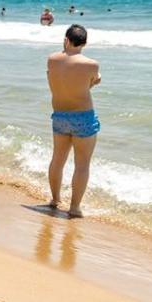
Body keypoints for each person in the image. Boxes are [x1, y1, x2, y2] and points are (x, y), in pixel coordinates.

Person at [47, 24, 101, 218]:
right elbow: (88, 85)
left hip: (60, 115)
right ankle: (74, 207)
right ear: (84, 43)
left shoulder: (52, 60)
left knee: (57, 160)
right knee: (82, 164)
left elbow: (58, 82)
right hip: (83, 117)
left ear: (66, 40)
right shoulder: (91, 64)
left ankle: (55, 199)